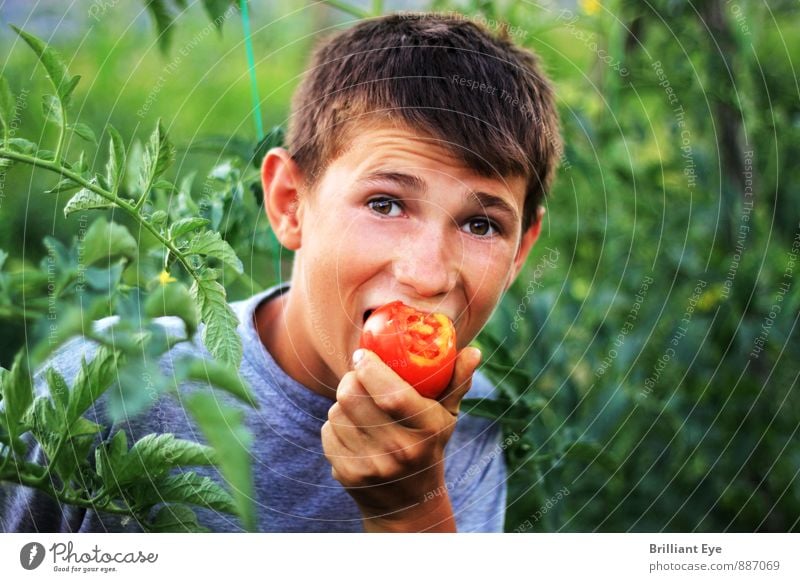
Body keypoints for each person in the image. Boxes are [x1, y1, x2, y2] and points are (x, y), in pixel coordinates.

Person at [1, 12, 561, 533]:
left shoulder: (472, 420)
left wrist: (413, 516)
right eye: (385, 204)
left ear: (519, 252)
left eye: (481, 225)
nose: (426, 274)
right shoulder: (109, 389)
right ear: (290, 202)